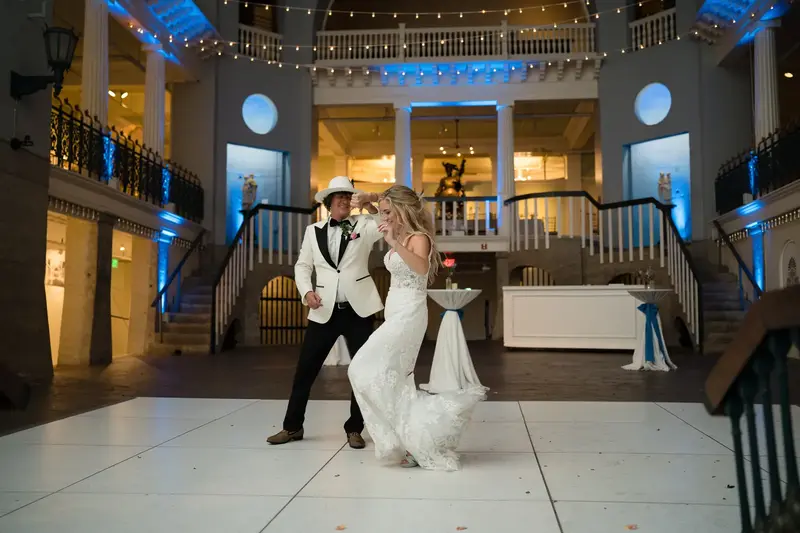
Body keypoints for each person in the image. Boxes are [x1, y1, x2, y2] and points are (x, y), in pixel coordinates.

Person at [347, 185, 488, 471]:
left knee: (360, 368)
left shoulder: (418, 238)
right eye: (383, 213)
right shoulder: (398, 233)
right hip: (395, 310)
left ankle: (407, 436)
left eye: (388, 212)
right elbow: (381, 215)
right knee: (394, 379)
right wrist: (370, 203)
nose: (383, 217)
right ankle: (410, 440)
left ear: (401, 210)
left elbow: (422, 269)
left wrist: (393, 241)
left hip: (410, 313)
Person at [267, 176, 384, 449]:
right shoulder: (313, 231)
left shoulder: (364, 225)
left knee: (362, 371)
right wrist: (306, 292)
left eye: (348, 195)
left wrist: (368, 203)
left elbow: (385, 224)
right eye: (339, 195)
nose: (344, 199)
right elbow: (302, 266)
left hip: (359, 309)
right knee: (305, 370)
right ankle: (292, 427)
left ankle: (355, 428)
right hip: (323, 311)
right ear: (329, 202)